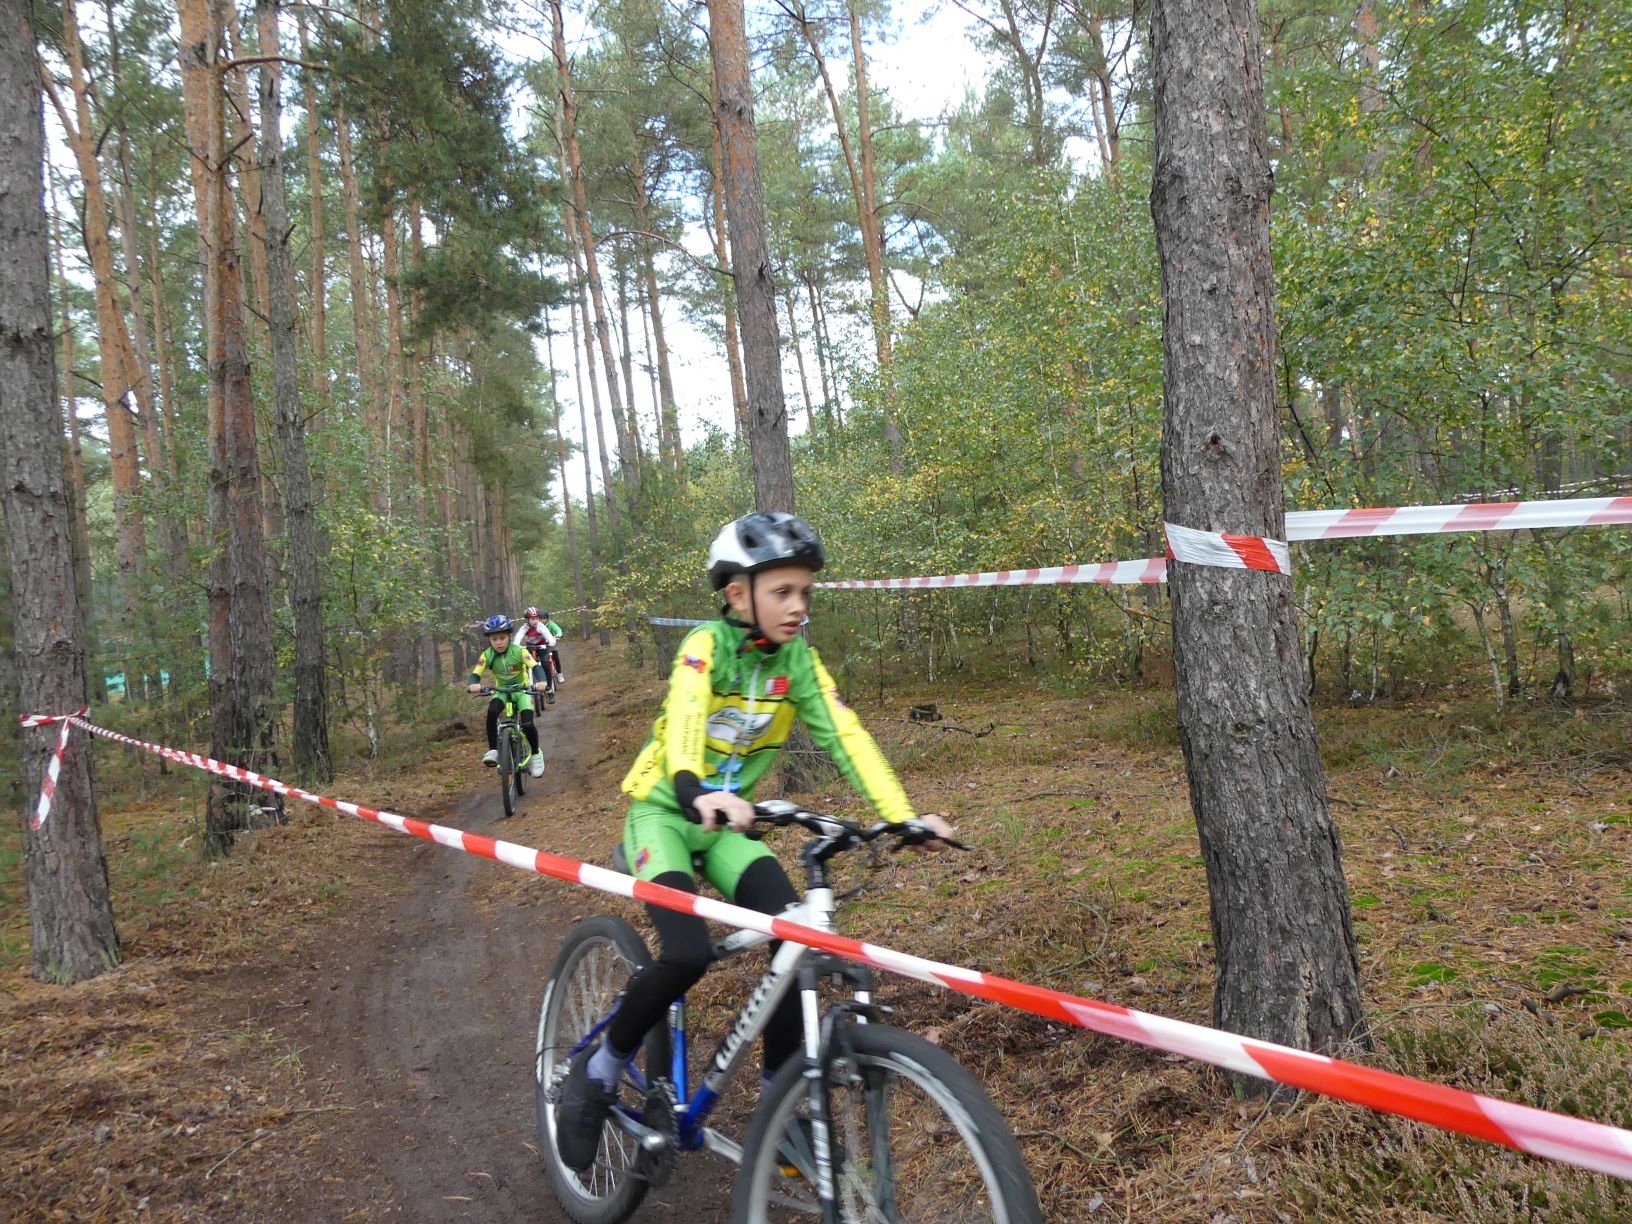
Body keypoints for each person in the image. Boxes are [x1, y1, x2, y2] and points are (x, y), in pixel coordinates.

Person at [553, 512, 954, 1172]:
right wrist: (693, 789)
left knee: (793, 936)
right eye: (783, 592)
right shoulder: (705, 646)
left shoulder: (799, 663)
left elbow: (847, 737)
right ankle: (598, 1070)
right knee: (686, 953)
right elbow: (687, 715)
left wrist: (902, 817)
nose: (799, 607)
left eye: (806, 593)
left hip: (731, 826)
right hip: (666, 813)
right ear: (738, 594)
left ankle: (781, 1108)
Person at [465, 614, 547, 778]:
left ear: (509, 636)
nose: (499, 642)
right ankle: (494, 750)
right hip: (501, 691)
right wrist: (473, 684)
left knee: (527, 723)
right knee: (492, 712)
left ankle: (536, 753)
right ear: (489, 640)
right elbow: (476, 673)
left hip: (522, 691)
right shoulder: (487, 655)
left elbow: (535, 666)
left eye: (502, 638)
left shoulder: (519, 651)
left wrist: (542, 681)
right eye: (494, 639)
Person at [518, 608, 559, 701]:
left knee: (546, 664)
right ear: (527, 620)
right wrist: (516, 646)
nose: (535, 621)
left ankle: (549, 689)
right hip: (530, 647)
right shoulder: (525, 627)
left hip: (543, 646)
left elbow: (547, 634)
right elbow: (519, 636)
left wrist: (551, 641)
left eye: (537, 618)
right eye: (532, 619)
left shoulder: (540, 626)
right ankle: (525, 686)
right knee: (524, 664)